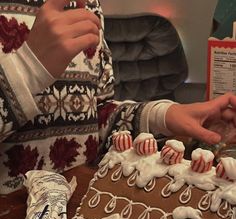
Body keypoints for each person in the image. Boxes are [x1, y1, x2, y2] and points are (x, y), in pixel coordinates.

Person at [0, 0, 236, 195]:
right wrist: (26, 70)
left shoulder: (88, 5)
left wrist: (162, 116)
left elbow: (94, 117)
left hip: (84, 213)